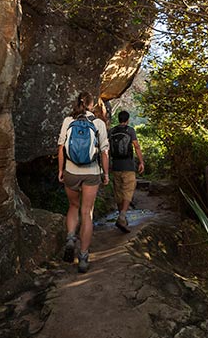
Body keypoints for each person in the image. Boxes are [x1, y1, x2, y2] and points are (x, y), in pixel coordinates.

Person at [57, 91, 110, 273]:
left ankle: (71, 237)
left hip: (71, 171)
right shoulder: (98, 123)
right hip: (91, 173)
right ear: (91, 105)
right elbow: (104, 152)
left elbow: (61, 148)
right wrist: (106, 174)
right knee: (86, 212)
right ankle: (84, 257)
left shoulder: (68, 121)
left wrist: (60, 170)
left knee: (73, 206)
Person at [109, 110, 145, 233]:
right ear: (128, 119)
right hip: (128, 166)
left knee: (119, 193)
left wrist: (107, 166)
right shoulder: (130, 130)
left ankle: (121, 218)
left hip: (115, 166)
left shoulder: (112, 131)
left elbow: (107, 150)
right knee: (128, 191)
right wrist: (141, 162)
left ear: (118, 119)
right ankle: (123, 216)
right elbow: (136, 146)